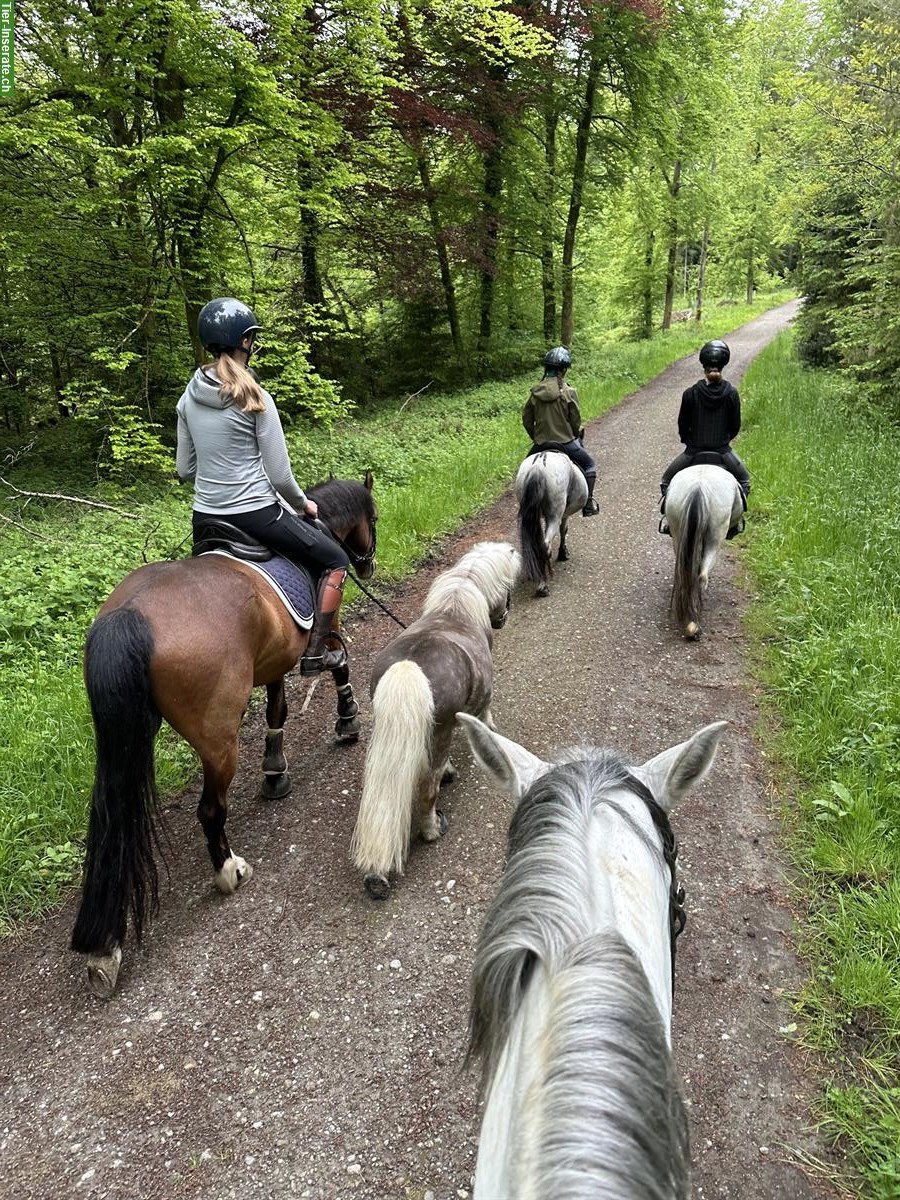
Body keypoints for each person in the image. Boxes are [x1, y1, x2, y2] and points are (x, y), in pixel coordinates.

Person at [176, 297, 349, 675]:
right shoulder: (256, 397)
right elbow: (279, 476)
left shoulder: (187, 401)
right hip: (256, 515)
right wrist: (304, 504)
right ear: (245, 343)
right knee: (336, 559)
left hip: (206, 520)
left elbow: (184, 469)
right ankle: (320, 650)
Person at [659, 339, 751, 536]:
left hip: (693, 452)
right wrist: (724, 441)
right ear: (723, 365)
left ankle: (670, 522)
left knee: (666, 481)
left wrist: (689, 441)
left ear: (703, 366)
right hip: (723, 452)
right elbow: (735, 426)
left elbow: (682, 426)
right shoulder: (732, 393)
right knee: (744, 481)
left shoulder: (690, 394)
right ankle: (734, 524)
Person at [522, 346, 599, 516]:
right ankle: (587, 504)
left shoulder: (535, 393)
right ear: (563, 370)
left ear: (547, 368)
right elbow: (575, 420)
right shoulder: (569, 392)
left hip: (541, 443)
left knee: (524, 471)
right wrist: (573, 434)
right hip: (566, 442)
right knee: (590, 465)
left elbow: (527, 420)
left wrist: (536, 437)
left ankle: (524, 504)